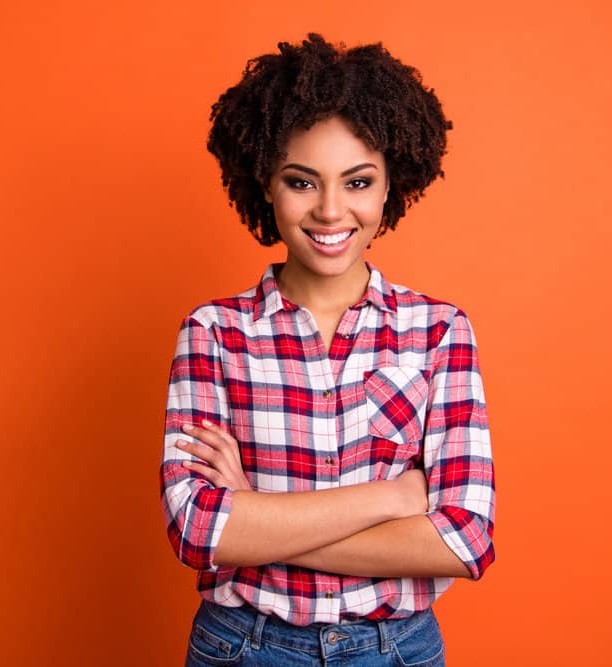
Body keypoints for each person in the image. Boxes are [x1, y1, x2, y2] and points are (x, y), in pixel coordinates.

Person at [160, 33, 495, 666]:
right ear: (264, 182)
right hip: (244, 646)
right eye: (302, 181)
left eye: (358, 182)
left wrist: (257, 522)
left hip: (396, 650)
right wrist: (390, 499)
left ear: (392, 184)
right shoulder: (213, 334)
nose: (331, 210)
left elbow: (464, 541)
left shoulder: (440, 330)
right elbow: (198, 530)